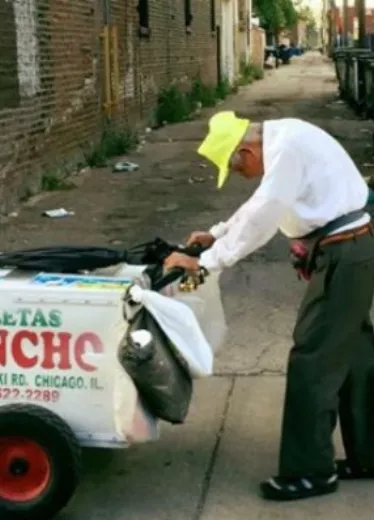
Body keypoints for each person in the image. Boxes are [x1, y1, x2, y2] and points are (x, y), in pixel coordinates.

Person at [164, 111, 374, 501]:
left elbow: (264, 214)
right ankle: (368, 457)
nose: (244, 176)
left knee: (313, 358)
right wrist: (217, 233)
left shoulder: (287, 148)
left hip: (345, 254)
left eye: (238, 169)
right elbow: (261, 202)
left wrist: (207, 261)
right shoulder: (285, 138)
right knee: (356, 356)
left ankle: (311, 472)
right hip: (352, 249)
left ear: (246, 150)